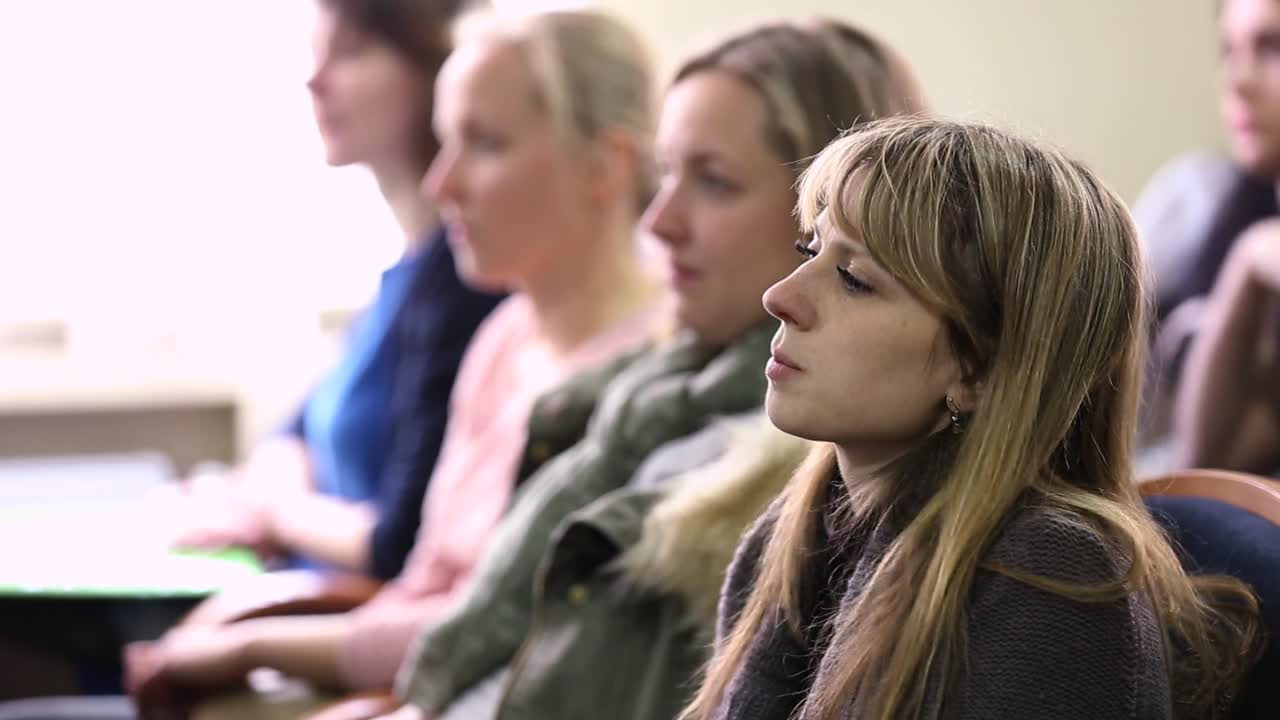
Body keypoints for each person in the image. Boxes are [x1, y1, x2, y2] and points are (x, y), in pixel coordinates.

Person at [125, 8, 663, 719]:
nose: (443, 184)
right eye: (447, 142)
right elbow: (424, 580)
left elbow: (494, 634)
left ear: (604, 166)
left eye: (485, 144)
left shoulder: (644, 383)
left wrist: (253, 646)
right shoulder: (504, 335)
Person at [386, 19, 925, 720]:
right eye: (666, 172)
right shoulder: (642, 395)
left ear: (835, 222)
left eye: (714, 182)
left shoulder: (793, 462)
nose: (658, 221)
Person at [680, 117, 1263, 720]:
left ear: (980, 370)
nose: (780, 297)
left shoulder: (1051, 583)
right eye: (811, 250)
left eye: (854, 280)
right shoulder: (795, 536)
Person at [170, 0, 503, 580]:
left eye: (349, 54)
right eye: (315, 56)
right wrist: (275, 497)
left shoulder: (466, 282)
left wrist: (277, 513)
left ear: (435, 68)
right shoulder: (404, 276)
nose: (314, 81)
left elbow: (406, 542)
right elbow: (290, 434)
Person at [1135, 0, 1280, 465]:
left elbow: (1213, 458)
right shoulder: (1201, 196)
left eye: (1272, 46)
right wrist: (1249, 259)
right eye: (1228, 51)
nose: (1237, 80)